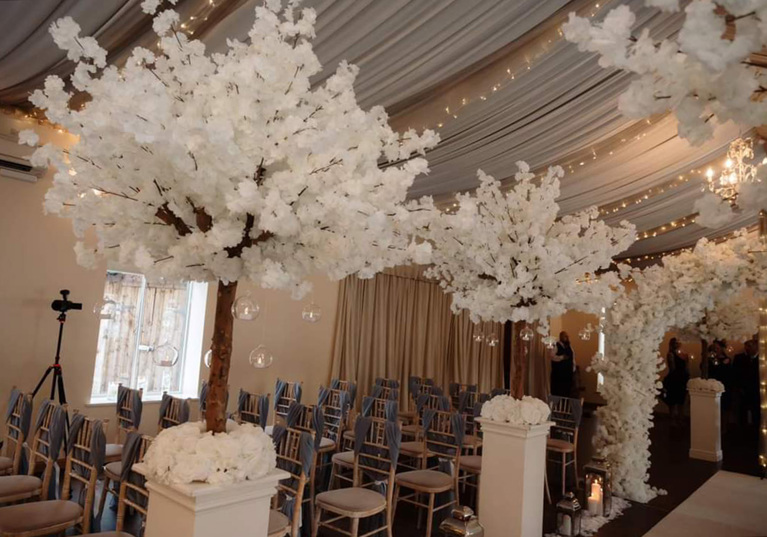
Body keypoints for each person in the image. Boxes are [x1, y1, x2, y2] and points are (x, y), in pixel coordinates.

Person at [733, 339, 760, 432]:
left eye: (749, 346)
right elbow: (736, 374)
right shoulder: (740, 358)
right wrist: (740, 387)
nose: (747, 348)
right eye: (746, 346)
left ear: (756, 346)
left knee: (756, 412)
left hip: (757, 390)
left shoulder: (761, 359)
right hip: (743, 389)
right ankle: (742, 430)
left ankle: (756, 429)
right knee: (742, 411)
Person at [662, 338, 689, 426]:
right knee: (672, 401)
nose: (678, 344)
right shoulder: (671, 354)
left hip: (682, 379)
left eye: (679, 342)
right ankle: (672, 420)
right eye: (676, 343)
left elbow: (686, 368)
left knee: (681, 400)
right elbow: (672, 368)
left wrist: (686, 360)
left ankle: (681, 419)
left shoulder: (683, 354)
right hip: (674, 379)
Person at [551, 331, 575, 398]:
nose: (567, 338)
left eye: (568, 336)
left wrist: (573, 368)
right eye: (565, 336)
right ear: (561, 337)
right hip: (559, 374)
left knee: (567, 391)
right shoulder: (556, 345)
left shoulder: (569, 346)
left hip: (568, 373)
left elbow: (573, 358)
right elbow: (551, 356)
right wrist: (561, 357)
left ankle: (566, 406)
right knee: (558, 391)